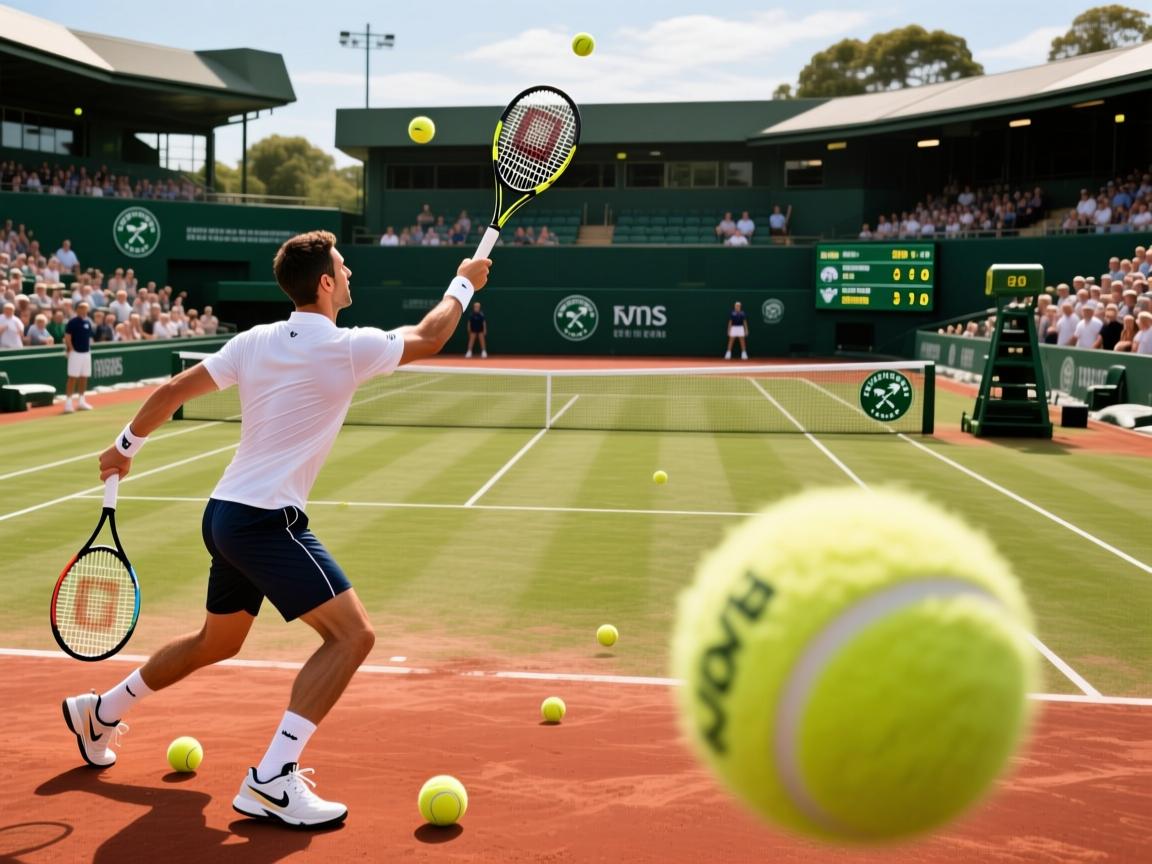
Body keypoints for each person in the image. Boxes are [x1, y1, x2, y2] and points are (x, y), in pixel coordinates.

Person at [65, 230, 491, 829]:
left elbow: (171, 391)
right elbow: (431, 336)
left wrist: (124, 446)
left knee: (217, 642)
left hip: (224, 514)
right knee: (352, 637)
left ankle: (99, 710)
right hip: (266, 520)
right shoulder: (345, 346)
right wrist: (464, 282)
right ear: (324, 283)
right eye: (343, 268)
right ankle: (271, 779)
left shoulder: (255, 341)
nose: (350, 277)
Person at [63, 301, 94, 412]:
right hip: (75, 353)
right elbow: (67, 337)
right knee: (72, 378)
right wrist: (71, 349)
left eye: (86, 308)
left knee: (84, 377)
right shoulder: (72, 322)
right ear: (77, 309)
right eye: (82, 308)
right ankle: (68, 403)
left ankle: (81, 401)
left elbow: (89, 338)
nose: (84, 310)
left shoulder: (88, 322)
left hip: (86, 353)